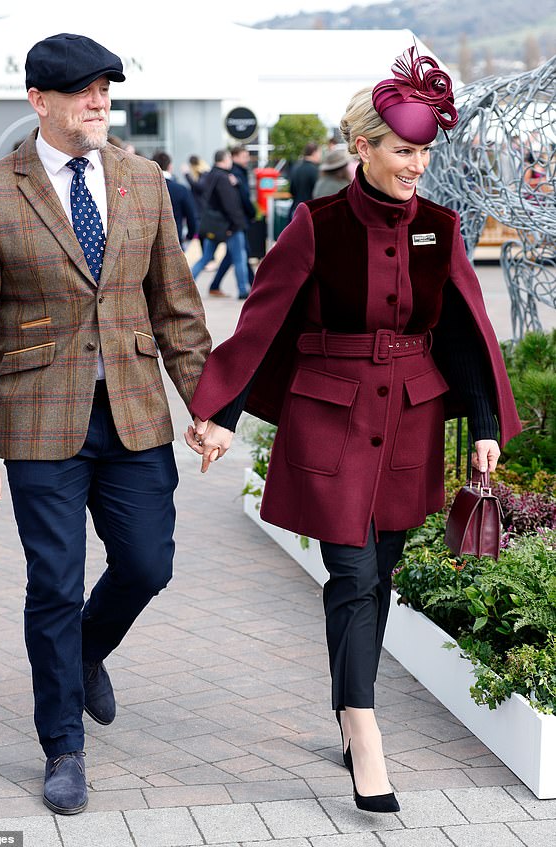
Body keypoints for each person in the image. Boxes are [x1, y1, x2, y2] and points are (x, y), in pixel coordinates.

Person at [185, 48, 521, 813]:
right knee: (354, 575)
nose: (416, 165)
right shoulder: (316, 224)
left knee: (383, 576)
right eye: (403, 150)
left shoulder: (442, 226)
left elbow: (465, 328)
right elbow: (261, 320)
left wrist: (484, 421)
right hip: (331, 420)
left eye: (424, 151)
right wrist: (221, 415)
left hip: (410, 417)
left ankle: (347, 704)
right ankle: (365, 731)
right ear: (361, 147)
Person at [0, 32, 210, 816]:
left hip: (133, 416)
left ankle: (87, 651)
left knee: (148, 564)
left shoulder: (143, 178)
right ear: (40, 101)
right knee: (52, 584)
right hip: (37, 422)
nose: (99, 103)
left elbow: (179, 308)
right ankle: (62, 743)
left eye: (106, 90)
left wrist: (209, 407)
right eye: (84, 91)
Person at [190, 149, 250, 299]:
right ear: (223, 160)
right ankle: (243, 289)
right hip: (228, 226)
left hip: (213, 225)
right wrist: (237, 224)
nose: (230, 161)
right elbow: (230, 205)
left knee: (206, 257)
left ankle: (186, 286)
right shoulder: (223, 178)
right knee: (239, 257)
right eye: (229, 158)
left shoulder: (210, 175)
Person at [208, 144, 256, 297]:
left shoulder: (227, 174)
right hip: (234, 222)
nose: (247, 159)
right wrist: (240, 220)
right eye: (244, 156)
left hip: (232, 222)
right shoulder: (230, 175)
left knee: (233, 255)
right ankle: (247, 288)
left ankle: (216, 285)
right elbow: (233, 202)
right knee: (241, 256)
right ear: (233, 158)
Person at [152, 150, 197, 249]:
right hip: (175, 240)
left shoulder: (147, 188)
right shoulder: (181, 189)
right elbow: (191, 217)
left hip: (150, 242)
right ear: (170, 166)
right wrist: (189, 235)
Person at [289, 141, 322, 216]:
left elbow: (291, 191)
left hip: (295, 209)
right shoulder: (315, 170)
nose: (320, 156)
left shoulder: (295, 168)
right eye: (320, 153)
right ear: (314, 152)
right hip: (310, 211)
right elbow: (318, 193)